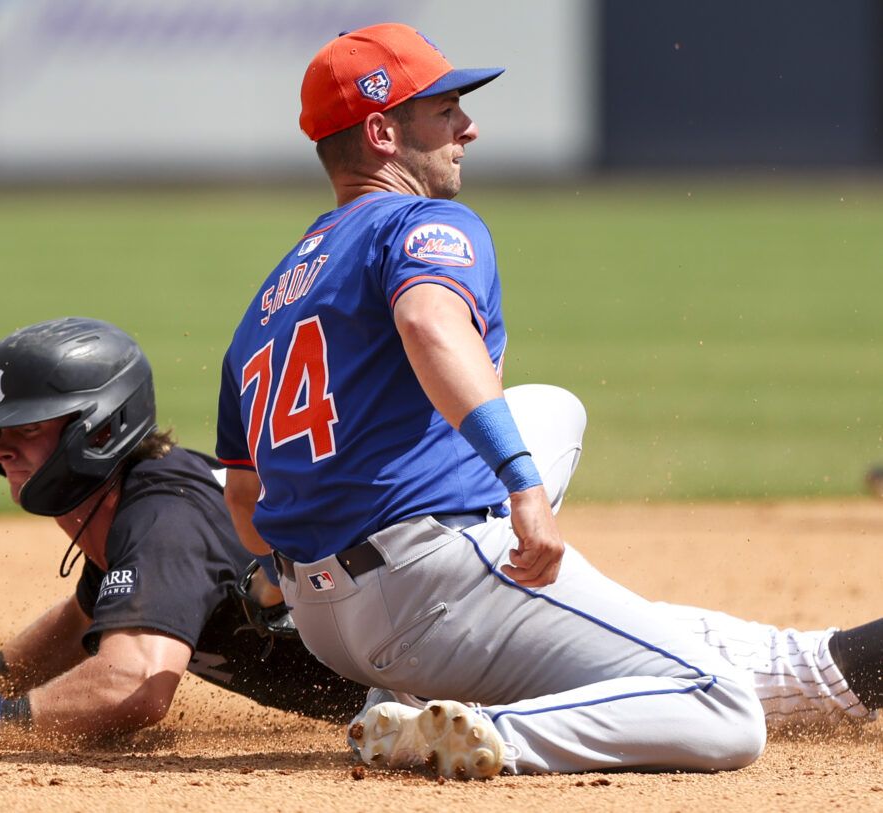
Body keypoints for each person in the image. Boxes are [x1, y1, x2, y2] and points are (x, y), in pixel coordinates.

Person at [0, 318, 883, 748]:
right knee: (551, 415)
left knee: (766, 681)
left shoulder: (155, 512)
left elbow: (136, 679)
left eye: (21, 431)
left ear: (97, 428)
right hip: (426, 613)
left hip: (441, 653)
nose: (2, 452)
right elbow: (95, 605)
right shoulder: (148, 508)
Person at [215, 22, 771, 778]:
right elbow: (426, 320)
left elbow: (246, 504)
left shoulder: (265, 304)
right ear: (382, 132)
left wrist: (299, 580)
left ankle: (403, 687)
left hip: (324, 624)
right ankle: (487, 731)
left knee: (554, 406)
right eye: (443, 111)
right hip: (431, 589)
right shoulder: (426, 222)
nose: (468, 128)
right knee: (725, 706)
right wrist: (521, 483)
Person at [0, 317, 367, 737]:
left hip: (435, 676)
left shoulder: (164, 516)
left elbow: (132, 685)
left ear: (102, 429)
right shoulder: (133, 505)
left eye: (30, 427)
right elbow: (74, 630)